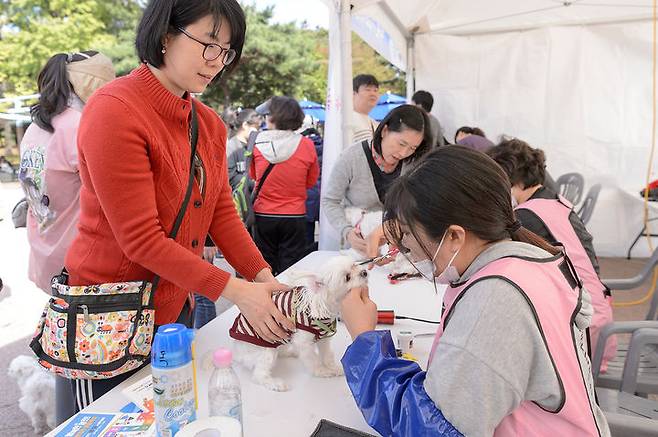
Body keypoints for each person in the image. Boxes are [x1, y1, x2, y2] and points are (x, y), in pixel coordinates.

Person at [62, 0, 295, 411]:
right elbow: (140, 241)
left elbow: (221, 212)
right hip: (107, 319)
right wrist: (237, 290)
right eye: (208, 42)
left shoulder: (207, 123)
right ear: (166, 34)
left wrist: (262, 277)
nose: (216, 61)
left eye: (226, 51)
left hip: (172, 312)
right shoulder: (115, 109)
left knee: (172, 415)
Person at [339, 146, 610, 437]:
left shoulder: (495, 301)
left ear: (454, 236)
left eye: (407, 234)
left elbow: (429, 428)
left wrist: (364, 339)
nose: (407, 248)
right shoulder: (528, 260)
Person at [17, 50, 115, 425]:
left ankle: (62, 424)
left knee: (65, 356)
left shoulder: (35, 128)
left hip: (46, 255)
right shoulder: (81, 125)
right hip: (82, 263)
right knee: (90, 370)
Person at [488, 138, 616, 371]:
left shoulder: (526, 218)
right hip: (597, 317)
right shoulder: (554, 201)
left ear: (512, 180)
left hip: (581, 333)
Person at [321, 104, 433, 254]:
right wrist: (347, 232)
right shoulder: (351, 157)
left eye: (412, 148)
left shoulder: (411, 164)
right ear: (385, 131)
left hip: (398, 247)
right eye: (401, 143)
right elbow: (330, 201)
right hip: (360, 244)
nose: (404, 152)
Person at [249, 96, 319, 275]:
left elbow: (254, 176)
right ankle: (287, 300)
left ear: (272, 117)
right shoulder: (306, 144)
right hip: (294, 215)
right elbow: (311, 181)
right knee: (291, 268)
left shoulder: (257, 143)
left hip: (264, 213)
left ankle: (267, 300)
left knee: (264, 265)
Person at [226, 108, 261, 188]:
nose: (258, 132)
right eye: (256, 128)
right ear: (245, 125)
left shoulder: (254, 146)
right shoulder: (231, 147)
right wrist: (253, 183)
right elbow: (229, 177)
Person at [347, 74, 380, 144]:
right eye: (368, 89)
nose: (373, 94)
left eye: (375, 90)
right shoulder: (346, 120)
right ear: (353, 93)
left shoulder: (375, 123)